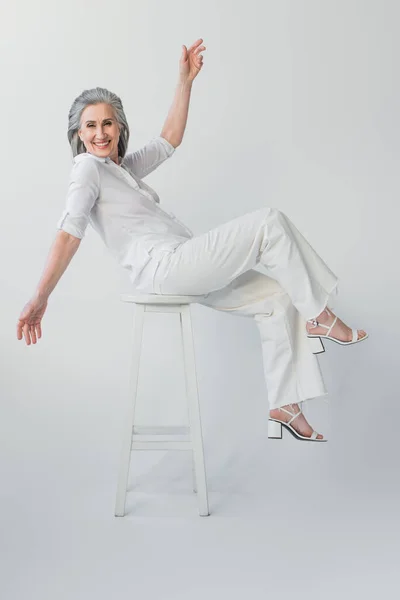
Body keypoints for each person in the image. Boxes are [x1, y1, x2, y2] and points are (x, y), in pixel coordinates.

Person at [16, 38, 368, 443]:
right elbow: (69, 233)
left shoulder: (121, 170)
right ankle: (320, 315)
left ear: (120, 128)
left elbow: (169, 139)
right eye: (91, 126)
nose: (100, 133)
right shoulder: (86, 170)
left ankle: (285, 404)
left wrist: (184, 81)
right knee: (269, 222)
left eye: (108, 123)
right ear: (79, 134)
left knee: (277, 298)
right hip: (166, 266)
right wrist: (41, 297)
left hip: (181, 265)